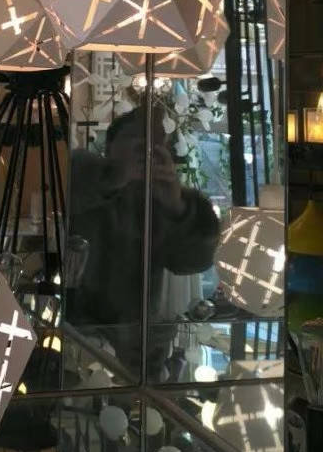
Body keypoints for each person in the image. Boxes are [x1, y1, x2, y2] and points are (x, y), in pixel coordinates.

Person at [66, 104, 220, 378]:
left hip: (135, 345)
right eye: (133, 143)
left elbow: (193, 261)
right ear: (109, 147)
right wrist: (114, 177)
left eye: (152, 147)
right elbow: (67, 188)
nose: (142, 153)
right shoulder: (84, 175)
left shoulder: (157, 201)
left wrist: (177, 206)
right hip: (71, 333)